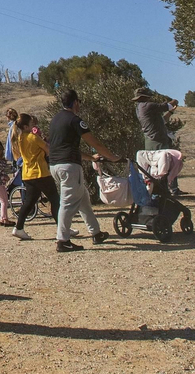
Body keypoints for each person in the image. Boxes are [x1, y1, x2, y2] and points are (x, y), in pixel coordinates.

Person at [46, 88, 117, 253]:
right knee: (68, 203)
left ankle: (96, 233)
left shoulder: (55, 119)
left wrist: (92, 158)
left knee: (83, 198)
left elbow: (66, 147)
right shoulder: (75, 120)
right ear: (75, 102)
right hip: (69, 167)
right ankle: (62, 240)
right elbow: (95, 143)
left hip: (56, 165)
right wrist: (112, 157)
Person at [12, 113, 59, 240]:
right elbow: (48, 149)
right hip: (40, 172)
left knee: (29, 202)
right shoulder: (33, 137)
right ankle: (62, 228)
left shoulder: (20, 138)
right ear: (26, 126)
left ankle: (19, 227)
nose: (34, 126)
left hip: (28, 173)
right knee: (55, 199)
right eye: (32, 124)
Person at [135, 87, 174, 152]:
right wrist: (174, 101)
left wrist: (170, 112)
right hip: (158, 141)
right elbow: (167, 106)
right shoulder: (148, 106)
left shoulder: (139, 108)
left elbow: (162, 120)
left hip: (150, 141)